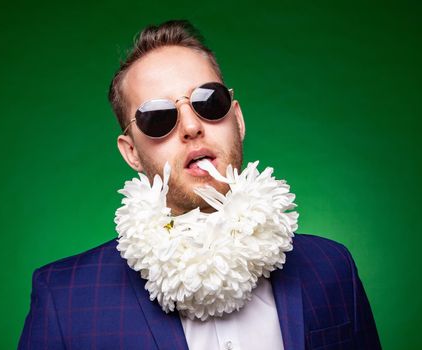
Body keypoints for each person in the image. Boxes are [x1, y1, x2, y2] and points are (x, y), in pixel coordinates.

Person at [19, 20, 381, 350]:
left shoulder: (332, 269)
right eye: (158, 116)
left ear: (236, 119)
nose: (191, 127)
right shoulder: (64, 299)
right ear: (131, 152)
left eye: (209, 101)